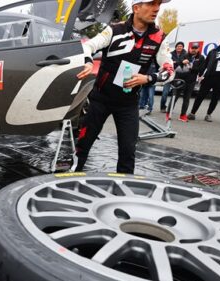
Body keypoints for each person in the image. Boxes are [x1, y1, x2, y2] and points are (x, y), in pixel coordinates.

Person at [75, 0, 174, 174]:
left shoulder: (159, 37)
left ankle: (124, 192)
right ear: (136, 8)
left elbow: (169, 70)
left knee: (128, 152)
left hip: (128, 104)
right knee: (83, 145)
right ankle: (70, 181)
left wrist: (149, 78)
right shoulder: (114, 29)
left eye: (159, 4)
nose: (157, 9)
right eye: (151, 4)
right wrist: (88, 62)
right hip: (100, 99)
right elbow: (88, 45)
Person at [189, 34, 220, 122]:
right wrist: (201, 75)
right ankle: (192, 113)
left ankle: (209, 114)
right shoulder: (213, 51)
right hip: (209, 77)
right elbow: (205, 64)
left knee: (215, 97)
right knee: (200, 95)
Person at [177, 42, 205, 121]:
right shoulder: (185, 55)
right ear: (190, 48)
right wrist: (182, 62)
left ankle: (182, 115)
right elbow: (177, 64)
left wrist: (191, 68)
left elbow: (201, 69)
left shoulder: (201, 57)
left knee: (187, 99)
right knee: (175, 97)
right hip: (181, 79)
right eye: (192, 48)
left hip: (191, 81)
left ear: (198, 49)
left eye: (195, 48)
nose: (194, 50)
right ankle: (169, 113)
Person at [159, 41, 186, 111]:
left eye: (181, 46)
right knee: (165, 92)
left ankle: (170, 108)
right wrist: (179, 62)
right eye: (178, 46)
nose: (179, 47)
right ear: (175, 47)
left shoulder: (185, 54)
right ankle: (162, 107)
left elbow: (184, 63)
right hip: (169, 74)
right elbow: (167, 62)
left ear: (183, 47)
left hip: (178, 76)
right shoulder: (170, 54)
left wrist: (176, 62)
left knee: (175, 94)